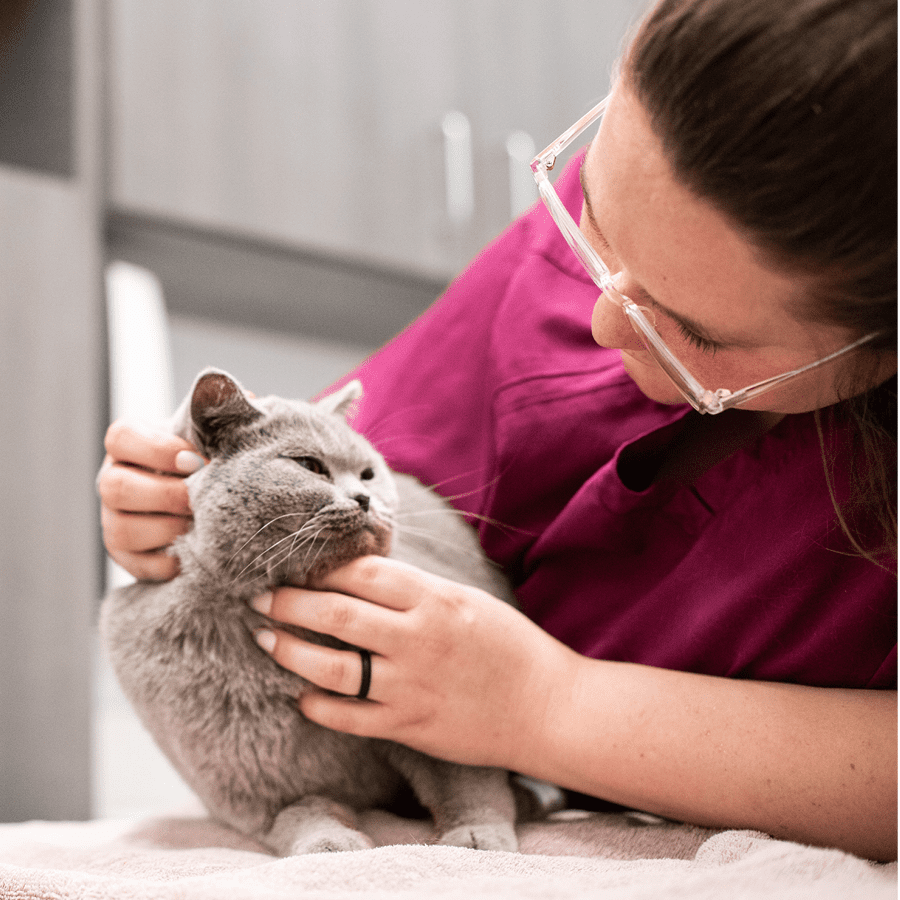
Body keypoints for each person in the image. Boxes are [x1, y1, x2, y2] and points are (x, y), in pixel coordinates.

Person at [98, 0, 897, 861]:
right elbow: (320, 481)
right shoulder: (627, 228)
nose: (600, 320)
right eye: (594, 224)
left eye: (692, 334)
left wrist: (547, 707)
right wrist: (175, 500)